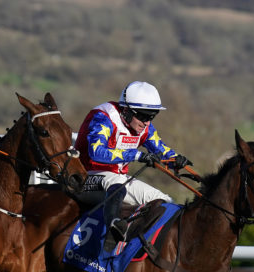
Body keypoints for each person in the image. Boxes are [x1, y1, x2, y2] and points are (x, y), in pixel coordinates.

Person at [75, 80, 193, 241]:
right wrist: (137, 155)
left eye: (152, 116)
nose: (147, 122)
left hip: (117, 182)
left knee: (165, 203)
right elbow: (96, 151)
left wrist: (175, 160)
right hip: (84, 178)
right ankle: (113, 229)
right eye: (143, 115)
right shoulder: (103, 117)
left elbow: (160, 149)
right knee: (115, 181)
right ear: (126, 111)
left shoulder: (144, 127)